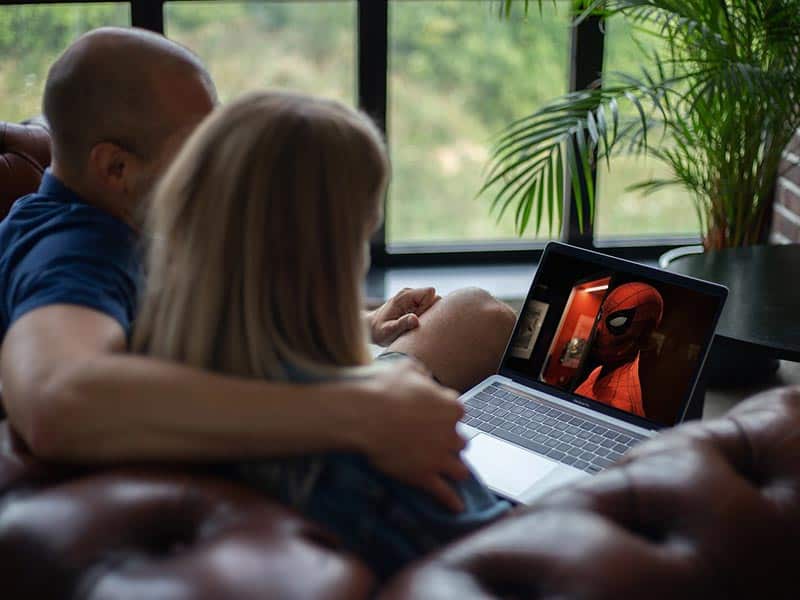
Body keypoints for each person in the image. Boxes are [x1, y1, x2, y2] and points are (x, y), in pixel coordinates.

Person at [0, 27, 516, 513]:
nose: (221, 162)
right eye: (201, 146)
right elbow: (55, 401)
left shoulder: (127, 219)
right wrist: (354, 410)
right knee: (475, 318)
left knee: (477, 315)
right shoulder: (68, 253)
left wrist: (365, 324)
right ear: (115, 167)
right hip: (272, 465)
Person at [132, 90, 512, 577]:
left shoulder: (150, 379)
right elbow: (504, 562)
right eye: (363, 232)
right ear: (335, 254)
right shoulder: (384, 443)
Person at [574, 282, 664, 416]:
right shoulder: (599, 371)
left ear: (644, 334)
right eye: (600, 316)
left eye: (618, 322)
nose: (598, 328)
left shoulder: (620, 403)